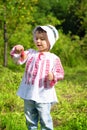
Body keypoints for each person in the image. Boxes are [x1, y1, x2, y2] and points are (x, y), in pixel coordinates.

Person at [10, 25, 64, 130]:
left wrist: (53, 75)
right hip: (29, 93)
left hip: (44, 94)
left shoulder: (53, 58)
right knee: (30, 117)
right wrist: (18, 51)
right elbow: (18, 61)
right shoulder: (30, 53)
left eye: (42, 39)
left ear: (50, 41)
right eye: (36, 38)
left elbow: (60, 73)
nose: (38, 41)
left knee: (45, 118)